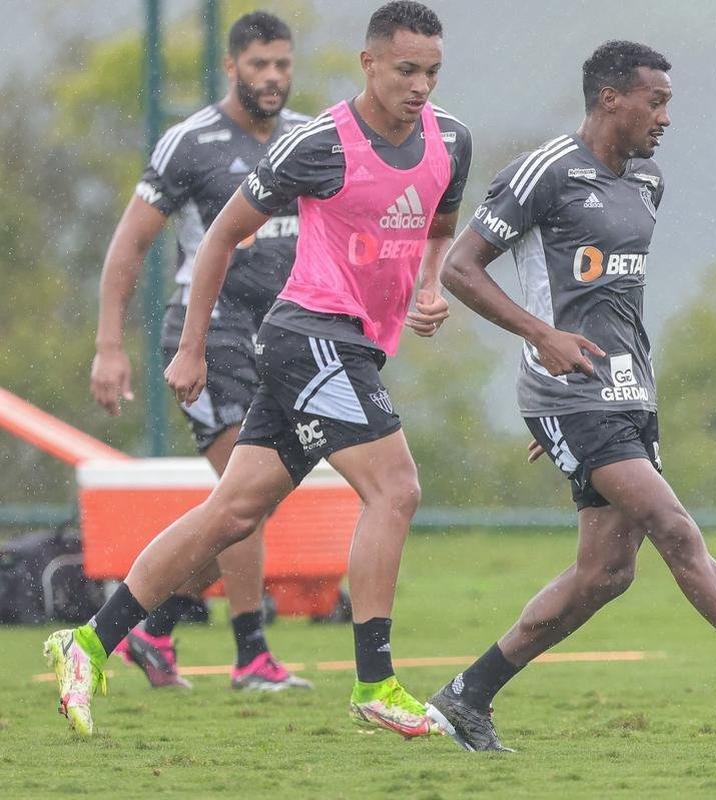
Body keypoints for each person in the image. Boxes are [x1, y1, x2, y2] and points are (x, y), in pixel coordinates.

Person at [46, 0, 471, 739]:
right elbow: (218, 239)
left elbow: (438, 226)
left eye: (432, 71)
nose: (421, 86)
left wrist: (428, 288)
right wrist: (188, 347)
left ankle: (87, 643)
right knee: (395, 487)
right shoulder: (318, 144)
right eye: (406, 69)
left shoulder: (451, 140)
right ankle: (376, 682)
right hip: (308, 335)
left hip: (348, 344)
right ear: (369, 64)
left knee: (232, 514)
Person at [424, 40, 716, 752]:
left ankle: (469, 696)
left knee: (606, 574)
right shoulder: (543, 173)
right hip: (569, 393)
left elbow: (605, 295)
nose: (666, 117)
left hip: (624, 396)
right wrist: (545, 351)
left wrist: (574, 428)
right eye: (657, 100)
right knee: (676, 529)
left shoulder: (647, 179)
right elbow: (459, 270)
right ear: (611, 97)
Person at [89, 10, 311, 692]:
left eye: (281, 64)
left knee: (252, 504)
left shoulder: (308, 139)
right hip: (208, 338)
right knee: (243, 494)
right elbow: (131, 244)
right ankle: (251, 658)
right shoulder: (191, 143)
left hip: (285, 341)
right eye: (258, 65)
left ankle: (152, 630)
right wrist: (108, 346)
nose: (271, 78)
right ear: (231, 68)